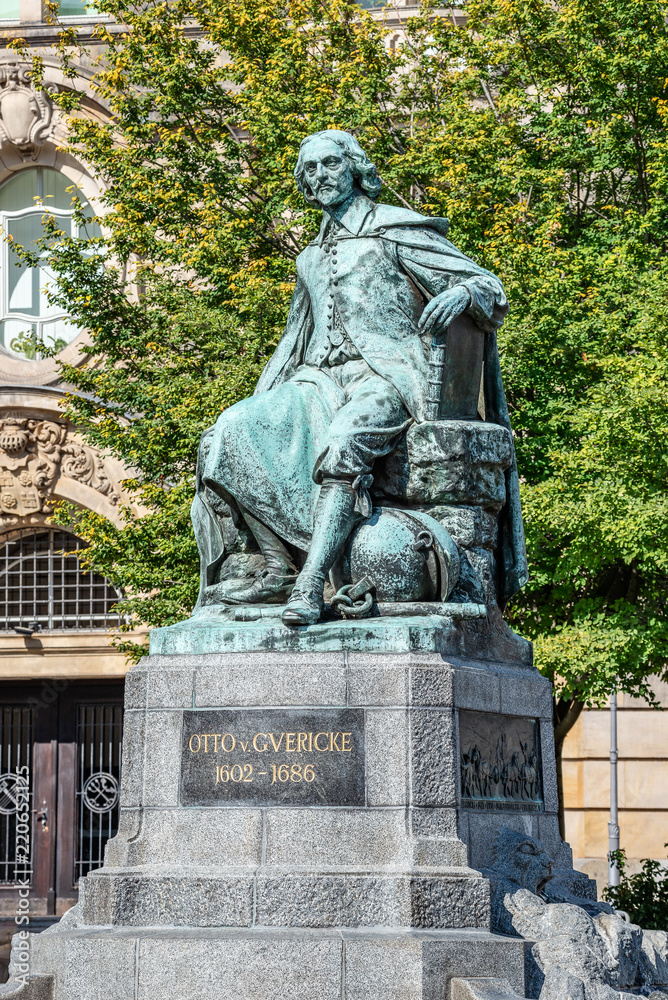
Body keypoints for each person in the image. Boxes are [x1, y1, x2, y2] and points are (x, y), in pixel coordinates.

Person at [192, 129, 522, 626]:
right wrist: (261, 398)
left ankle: (309, 585)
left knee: (343, 444)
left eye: (329, 164)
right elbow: (294, 339)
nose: (320, 176)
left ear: (354, 168)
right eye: (309, 170)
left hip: (384, 376)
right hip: (317, 380)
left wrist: (464, 294)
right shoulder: (308, 257)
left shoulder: (395, 230)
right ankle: (278, 566)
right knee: (227, 435)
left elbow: (487, 286)